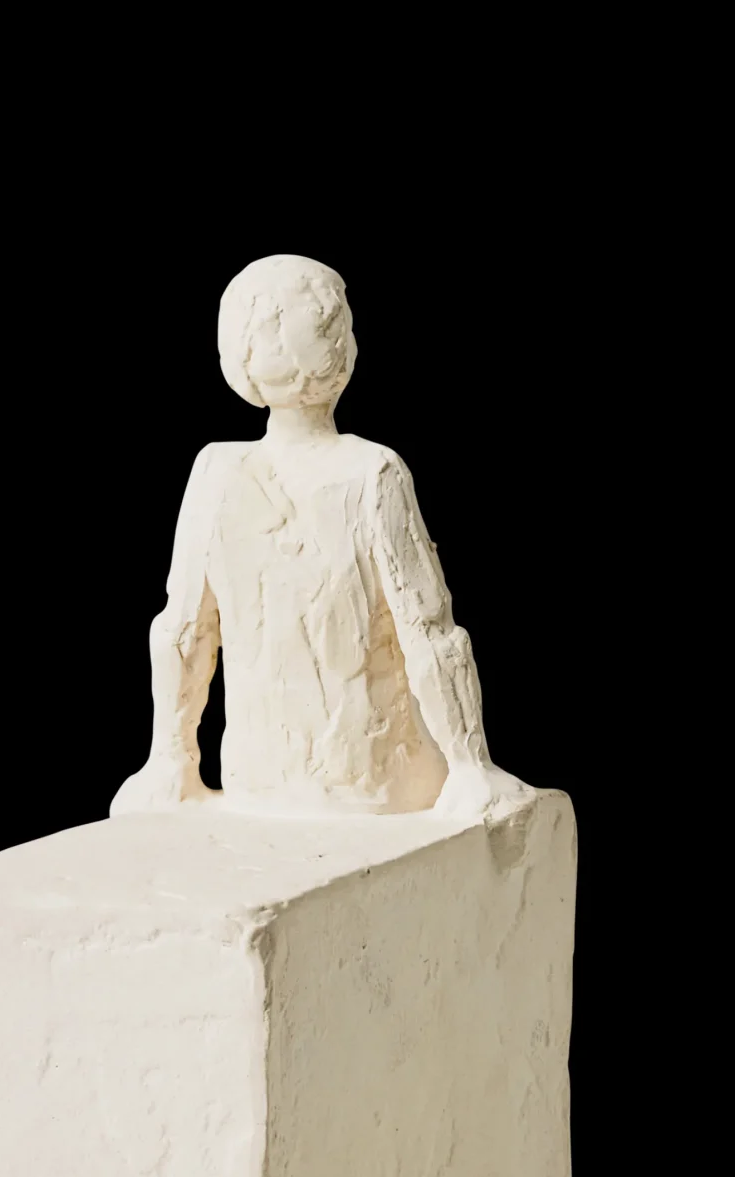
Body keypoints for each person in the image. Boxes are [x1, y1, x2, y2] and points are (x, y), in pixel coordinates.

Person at [112, 254, 529, 821]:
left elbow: (183, 632)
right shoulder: (373, 471)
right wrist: (471, 766)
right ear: (341, 348)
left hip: (254, 780)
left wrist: (170, 762)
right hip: (376, 788)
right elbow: (428, 629)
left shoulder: (216, 471)